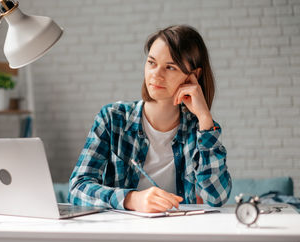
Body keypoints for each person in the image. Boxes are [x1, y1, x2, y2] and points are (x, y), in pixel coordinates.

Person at [68, 25, 232, 213]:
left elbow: (216, 197)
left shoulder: (201, 130)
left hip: (181, 234)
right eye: (152, 63)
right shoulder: (113, 119)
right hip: (122, 234)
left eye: (170, 67)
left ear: (193, 76)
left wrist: (204, 117)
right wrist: (131, 199)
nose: (156, 74)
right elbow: (76, 189)